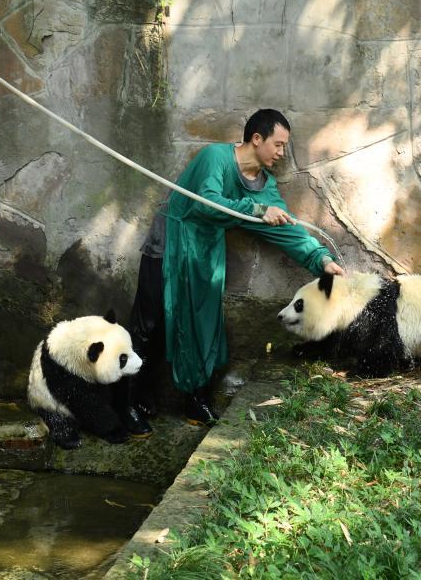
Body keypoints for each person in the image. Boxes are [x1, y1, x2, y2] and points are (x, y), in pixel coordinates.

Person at [114, 109, 345, 434]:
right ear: (256, 138)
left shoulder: (264, 187)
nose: (281, 154)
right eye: (278, 145)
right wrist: (255, 210)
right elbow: (206, 203)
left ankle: (196, 402)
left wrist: (321, 260)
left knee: (203, 325)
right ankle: (128, 402)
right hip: (169, 244)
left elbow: (287, 229)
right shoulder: (215, 158)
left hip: (205, 253)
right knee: (149, 323)